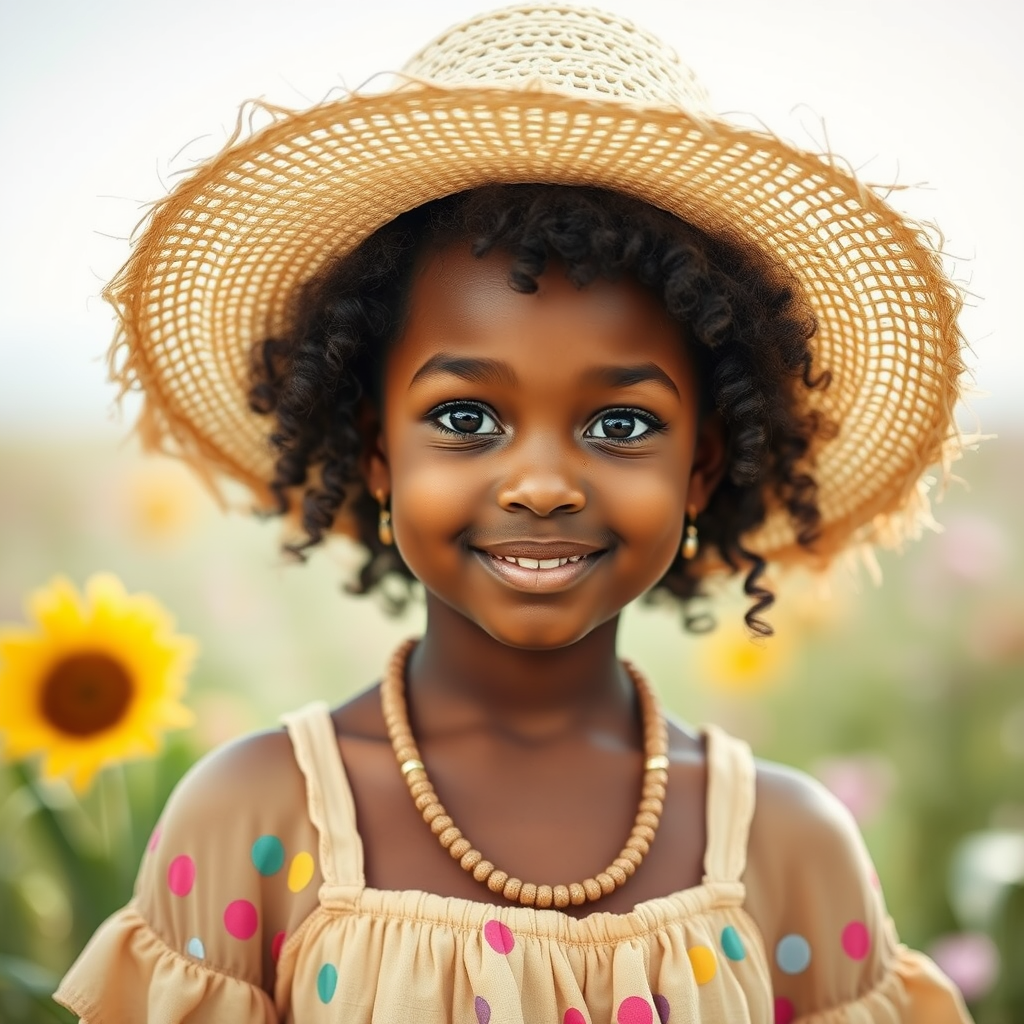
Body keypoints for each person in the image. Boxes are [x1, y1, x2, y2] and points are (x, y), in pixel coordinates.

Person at [55, 5, 974, 1022]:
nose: (542, 483)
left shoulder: (788, 845)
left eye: (622, 425)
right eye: (464, 415)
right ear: (374, 451)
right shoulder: (255, 817)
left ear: (703, 466)